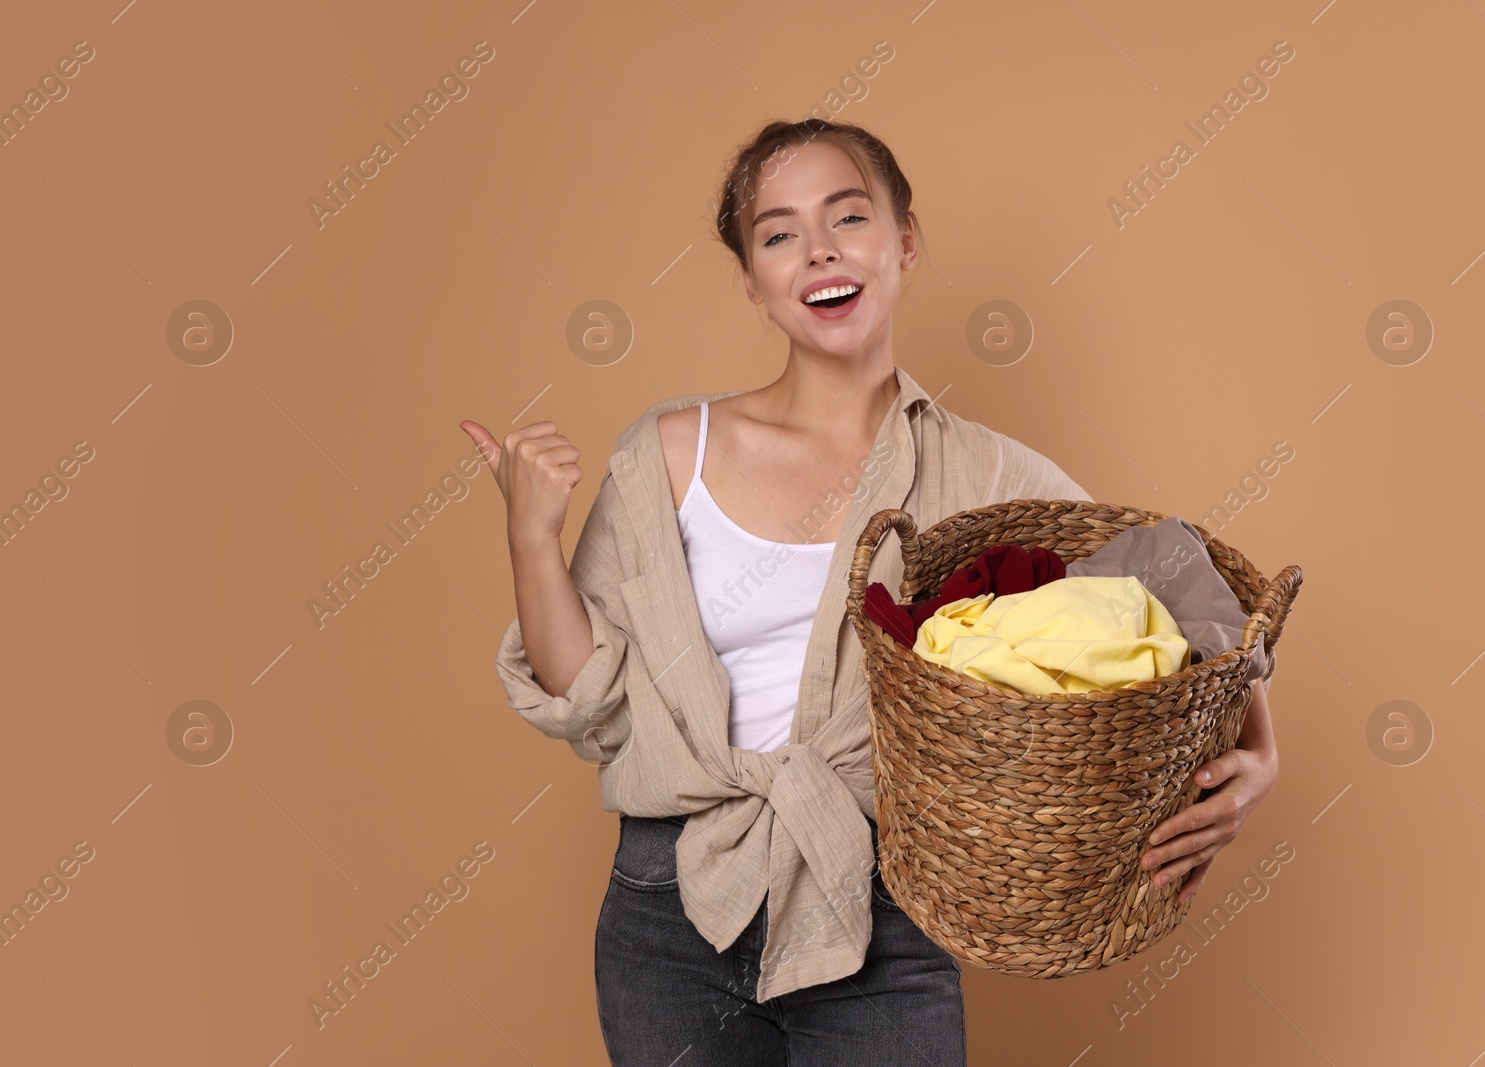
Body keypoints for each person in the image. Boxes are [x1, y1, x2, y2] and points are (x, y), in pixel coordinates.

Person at [460, 118, 1280, 1066]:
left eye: (848, 217)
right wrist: (531, 534)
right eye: (778, 234)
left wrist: (1262, 756)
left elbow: (1178, 586)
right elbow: (588, 703)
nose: (819, 251)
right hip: (666, 910)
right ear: (754, 280)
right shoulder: (666, 455)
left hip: (882, 904)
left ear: (904, 241)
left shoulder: (984, 473)